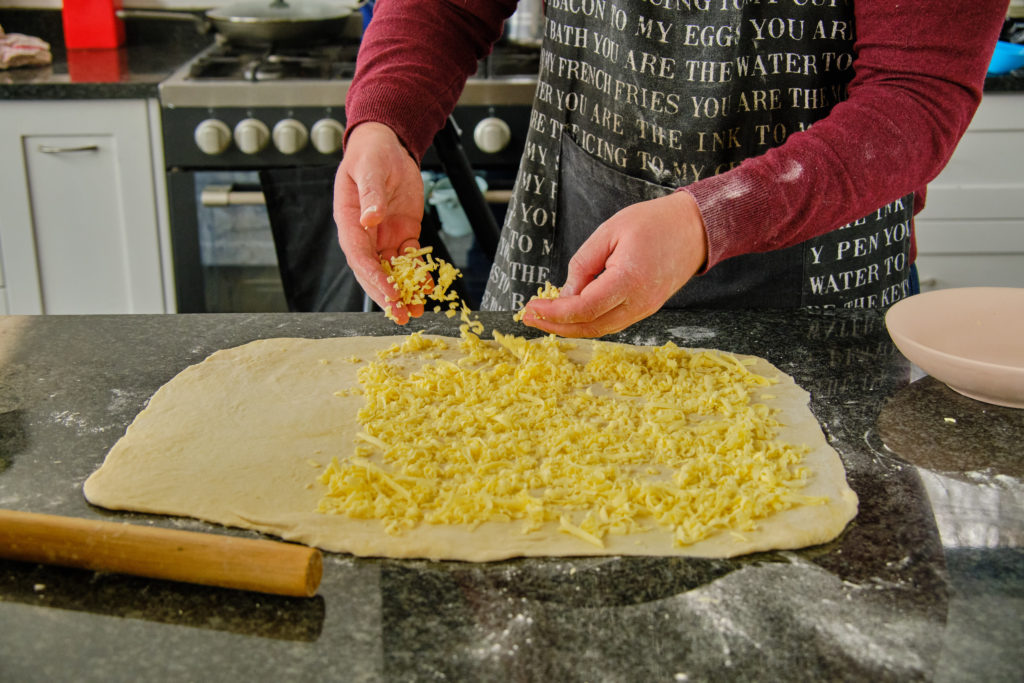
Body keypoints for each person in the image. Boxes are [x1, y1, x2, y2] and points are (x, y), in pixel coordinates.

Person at [333, 0, 1007, 338]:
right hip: (572, 240)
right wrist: (384, 123)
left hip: (821, 282)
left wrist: (708, 218)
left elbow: (915, 92)